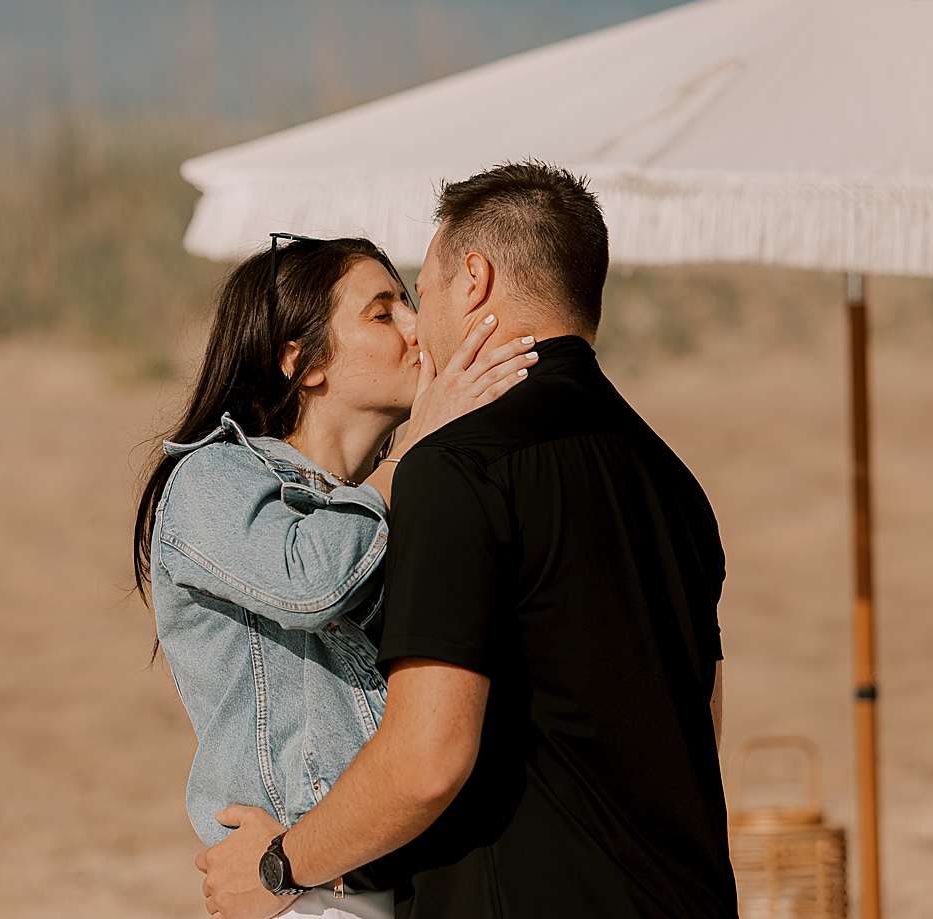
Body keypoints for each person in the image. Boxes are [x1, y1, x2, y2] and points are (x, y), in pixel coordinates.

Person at [197, 165, 735, 919]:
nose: (419, 322)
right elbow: (697, 730)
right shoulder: (674, 481)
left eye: (423, 287)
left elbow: (426, 761)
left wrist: (279, 866)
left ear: (473, 278)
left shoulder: (457, 466)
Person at [134, 235, 537, 919]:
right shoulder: (210, 480)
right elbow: (310, 583)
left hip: (422, 881)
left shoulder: (404, 496)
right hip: (304, 893)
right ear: (303, 360)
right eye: (383, 313)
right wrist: (410, 455)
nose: (416, 327)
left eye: (409, 303)